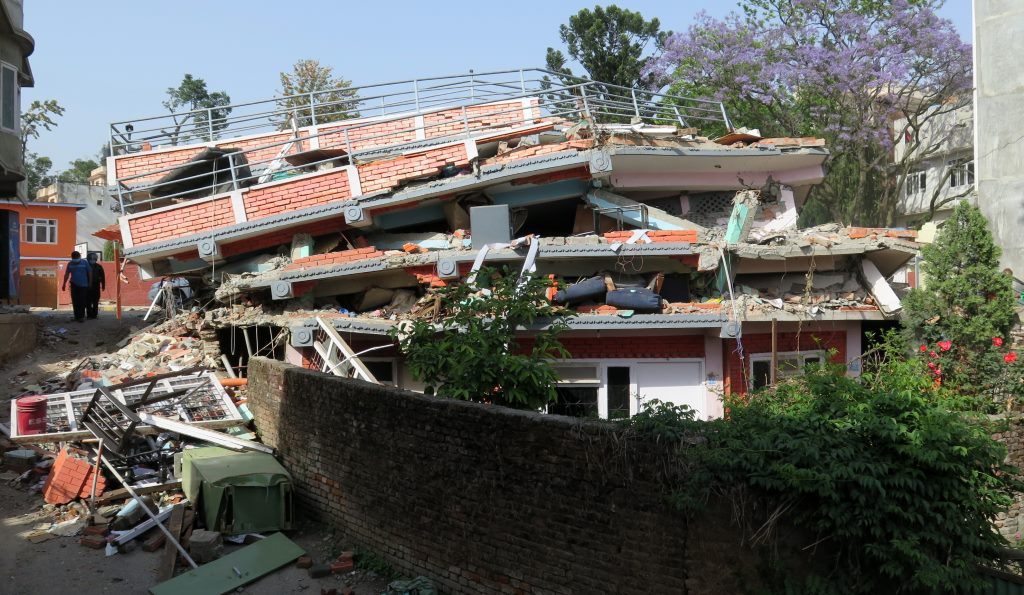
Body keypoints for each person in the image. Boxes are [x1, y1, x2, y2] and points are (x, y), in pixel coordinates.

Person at [61, 251, 92, 322]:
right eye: (74, 258)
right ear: (72, 258)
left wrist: (90, 283)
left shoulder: (84, 262)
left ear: (79, 257)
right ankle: (76, 316)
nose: (75, 259)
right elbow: (66, 274)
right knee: (75, 301)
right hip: (74, 285)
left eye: (76, 257)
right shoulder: (70, 264)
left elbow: (90, 272)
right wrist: (64, 284)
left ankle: (81, 317)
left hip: (84, 285)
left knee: (82, 301)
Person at [86, 253, 105, 319]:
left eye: (94, 259)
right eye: (91, 259)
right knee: (87, 302)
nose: (92, 260)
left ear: (96, 259)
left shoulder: (99, 267)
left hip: (96, 287)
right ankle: (89, 314)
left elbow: (103, 277)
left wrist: (103, 286)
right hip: (87, 287)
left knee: (95, 302)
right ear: (88, 259)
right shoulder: (86, 266)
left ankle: (94, 315)